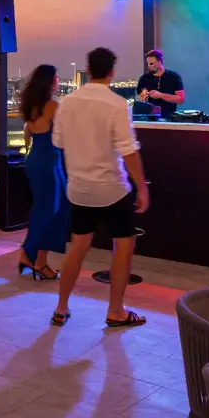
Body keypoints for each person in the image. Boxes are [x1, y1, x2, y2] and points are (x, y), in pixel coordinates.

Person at [51, 48, 149, 329]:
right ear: (111, 72)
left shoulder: (67, 103)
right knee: (124, 245)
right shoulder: (117, 103)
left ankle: (60, 308)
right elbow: (128, 151)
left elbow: (58, 143)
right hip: (112, 188)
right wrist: (141, 187)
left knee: (78, 245)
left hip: (79, 188)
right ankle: (116, 310)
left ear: (89, 69)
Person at [17, 64, 67, 281]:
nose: (58, 81)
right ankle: (27, 254)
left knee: (53, 209)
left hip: (37, 159)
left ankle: (40, 261)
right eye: (56, 78)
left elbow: (30, 131)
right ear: (50, 81)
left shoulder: (30, 105)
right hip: (49, 162)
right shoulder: (53, 105)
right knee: (49, 210)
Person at [136, 49, 185, 119]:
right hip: (148, 120)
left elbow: (180, 99)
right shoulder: (144, 79)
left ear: (160, 62)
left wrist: (160, 95)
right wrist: (142, 96)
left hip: (169, 118)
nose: (149, 66)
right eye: (147, 64)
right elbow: (138, 99)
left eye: (151, 63)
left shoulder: (174, 77)